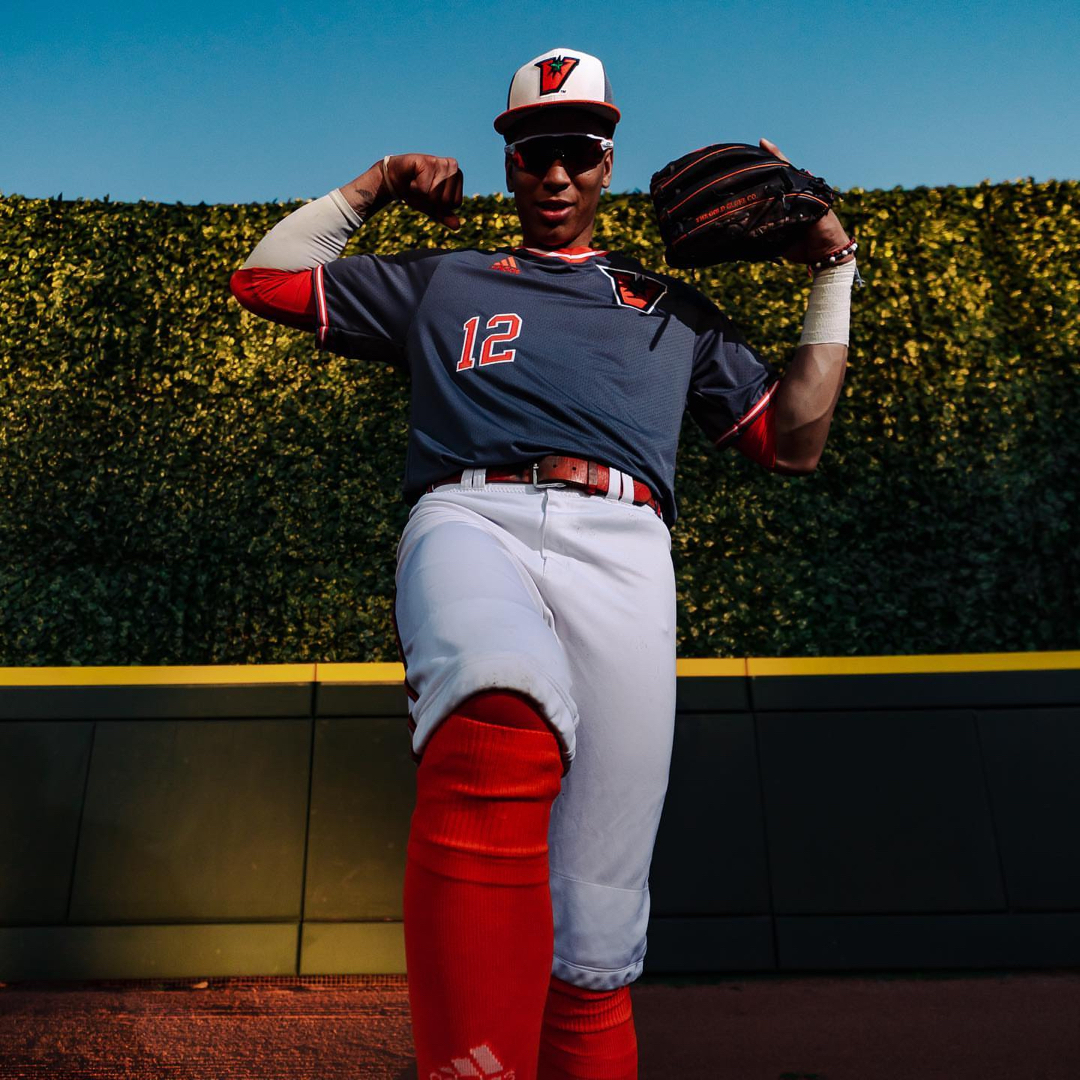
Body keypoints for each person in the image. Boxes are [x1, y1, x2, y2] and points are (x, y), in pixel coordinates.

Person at [231, 45, 856, 1080]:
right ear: (508, 163)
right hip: (471, 517)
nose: (555, 173)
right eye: (533, 153)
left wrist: (833, 270)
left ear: (607, 160)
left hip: (628, 553)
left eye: (575, 149)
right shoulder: (442, 281)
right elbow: (264, 277)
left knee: (597, 936)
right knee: (494, 709)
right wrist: (380, 179)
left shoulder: (673, 306)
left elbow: (794, 441)